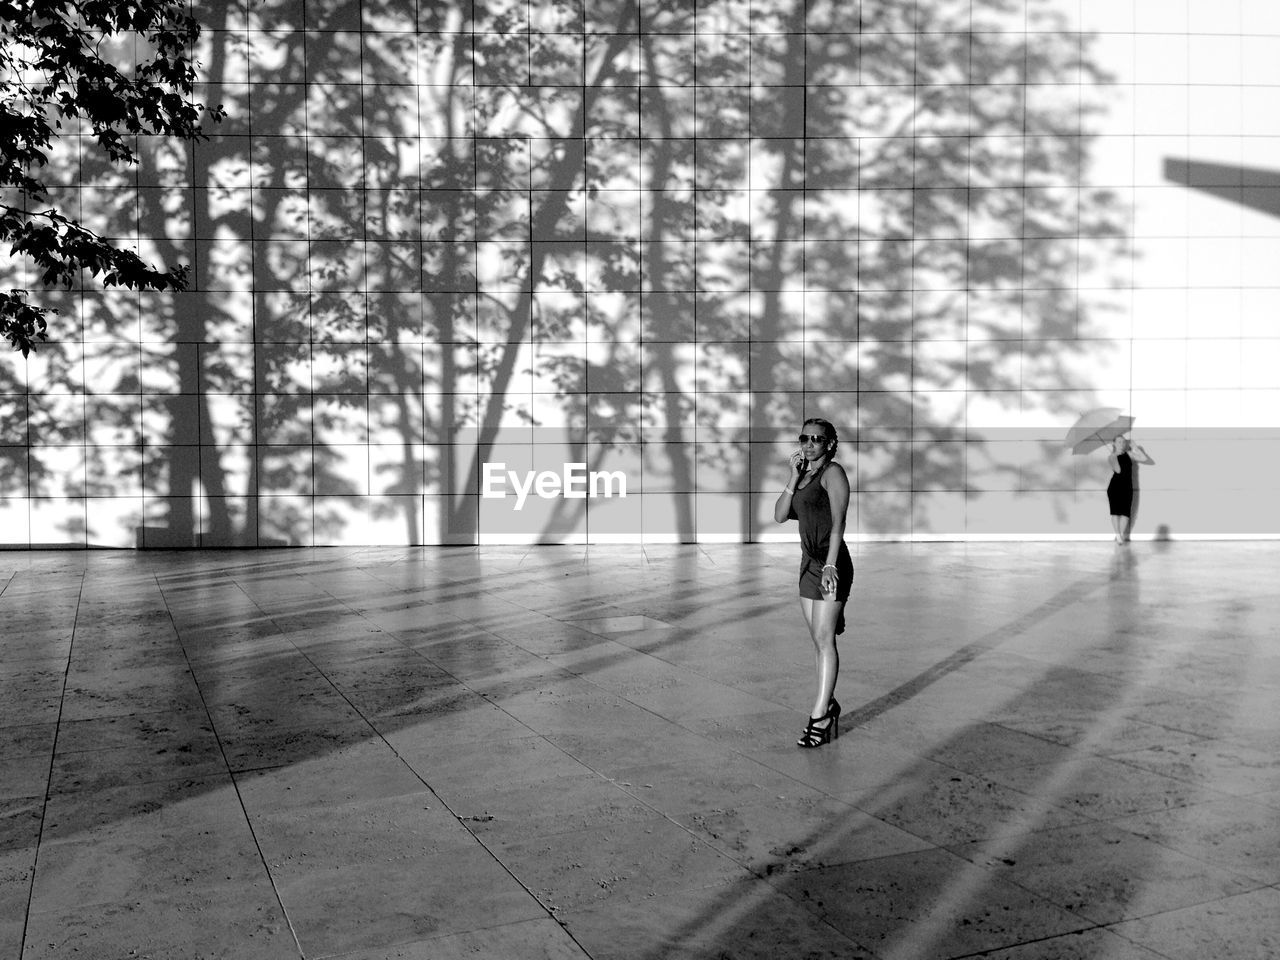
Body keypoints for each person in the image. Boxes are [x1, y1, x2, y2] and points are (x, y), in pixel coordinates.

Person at [774, 417, 854, 748]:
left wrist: (831, 565)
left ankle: (820, 714)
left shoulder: (832, 473)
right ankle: (829, 702)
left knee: (824, 641)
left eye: (817, 439)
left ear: (830, 444)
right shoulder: (805, 476)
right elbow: (779, 515)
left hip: (829, 564)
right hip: (808, 564)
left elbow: (839, 522)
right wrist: (793, 477)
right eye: (804, 437)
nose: (809, 444)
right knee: (817, 641)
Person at [1107, 436, 1154, 543]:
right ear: (1114, 443)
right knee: (1115, 512)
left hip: (1128, 486)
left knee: (1125, 513)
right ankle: (1118, 536)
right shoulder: (1111, 456)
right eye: (1119, 442)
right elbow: (1118, 470)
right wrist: (1115, 456)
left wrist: (1135, 447)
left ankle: (1120, 535)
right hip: (1115, 486)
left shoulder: (1130, 454)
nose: (1122, 444)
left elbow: (1144, 459)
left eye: (1123, 442)